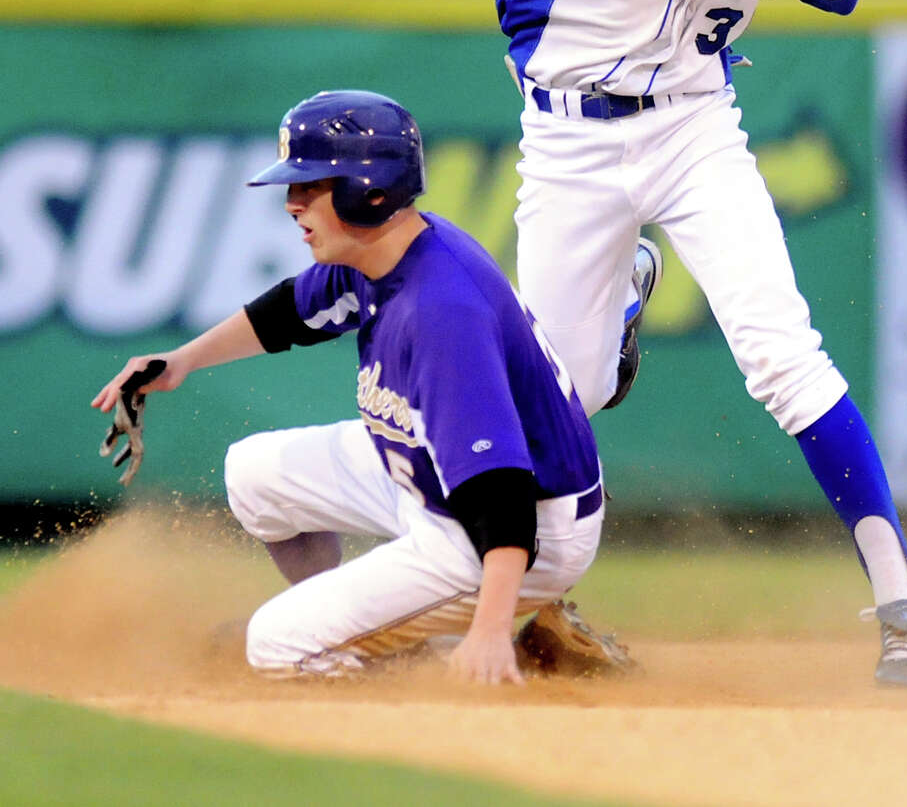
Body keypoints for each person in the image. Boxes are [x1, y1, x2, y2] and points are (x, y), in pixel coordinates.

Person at [495, 0, 907, 687]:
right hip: (569, 141)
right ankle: (537, 595)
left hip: (695, 127)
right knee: (555, 403)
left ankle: (902, 601)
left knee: (781, 354)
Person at [92, 89, 611, 685]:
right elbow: (289, 311)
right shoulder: (383, 252)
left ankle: (520, 654)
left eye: (309, 186)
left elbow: (501, 491)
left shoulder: (441, 311)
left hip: (517, 531)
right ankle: (373, 633)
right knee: (254, 472)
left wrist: (490, 630)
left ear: (370, 190)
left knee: (275, 644)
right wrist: (181, 360)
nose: (292, 204)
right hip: (436, 479)